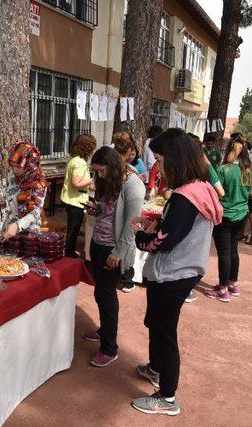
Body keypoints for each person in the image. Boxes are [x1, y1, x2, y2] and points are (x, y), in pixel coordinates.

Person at [129, 129, 223, 416]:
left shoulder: (185, 197)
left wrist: (141, 237)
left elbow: (166, 240)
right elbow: (176, 229)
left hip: (174, 273)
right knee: (156, 323)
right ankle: (156, 368)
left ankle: (167, 398)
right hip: (181, 271)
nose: (158, 166)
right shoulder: (200, 188)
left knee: (164, 332)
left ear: (175, 159)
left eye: (160, 159)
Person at [82, 146, 145, 367]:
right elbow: (106, 210)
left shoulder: (133, 184)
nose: (99, 175)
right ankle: (104, 330)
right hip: (98, 243)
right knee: (100, 291)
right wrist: (95, 210)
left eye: (101, 170)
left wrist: (118, 252)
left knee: (106, 295)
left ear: (112, 166)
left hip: (113, 249)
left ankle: (110, 348)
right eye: (96, 171)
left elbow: (132, 222)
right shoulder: (107, 181)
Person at [205, 137, 252, 302]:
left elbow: (218, 191)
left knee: (224, 252)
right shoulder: (248, 170)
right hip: (242, 213)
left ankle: (223, 288)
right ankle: (233, 284)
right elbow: (251, 193)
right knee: (233, 250)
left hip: (225, 215)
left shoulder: (224, 169)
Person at [0, 141, 47, 241]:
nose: (14, 170)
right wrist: (4, 202)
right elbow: (13, 200)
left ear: (30, 164)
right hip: (10, 230)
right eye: (12, 166)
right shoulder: (13, 177)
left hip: (29, 235)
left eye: (18, 167)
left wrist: (17, 226)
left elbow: (35, 212)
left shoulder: (39, 182)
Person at [113, 132, 143, 293]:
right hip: (115, 227)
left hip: (126, 219)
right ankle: (125, 276)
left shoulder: (131, 176)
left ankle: (127, 277)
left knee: (127, 240)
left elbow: (133, 220)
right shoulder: (116, 172)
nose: (132, 156)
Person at [60, 134, 97, 258]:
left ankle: (69, 250)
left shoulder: (75, 159)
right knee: (73, 229)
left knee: (73, 228)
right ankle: (69, 253)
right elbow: (76, 183)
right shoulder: (79, 162)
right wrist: (91, 180)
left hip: (71, 198)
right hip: (74, 201)